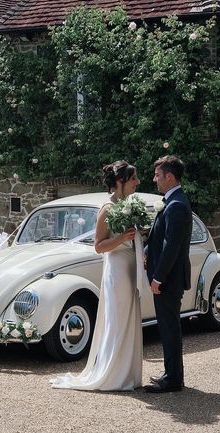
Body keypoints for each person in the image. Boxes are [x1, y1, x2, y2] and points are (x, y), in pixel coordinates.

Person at [50, 160, 143, 391]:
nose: (137, 182)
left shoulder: (130, 204)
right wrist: (122, 238)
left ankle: (128, 374)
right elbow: (99, 246)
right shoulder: (107, 209)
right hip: (117, 270)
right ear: (121, 182)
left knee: (130, 318)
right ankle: (112, 374)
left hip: (131, 267)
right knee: (117, 320)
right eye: (133, 179)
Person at [144, 155, 193, 393]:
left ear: (169, 177)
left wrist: (158, 278)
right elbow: (158, 237)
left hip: (168, 280)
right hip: (166, 278)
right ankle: (171, 373)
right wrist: (144, 251)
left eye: (157, 175)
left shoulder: (177, 205)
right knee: (166, 327)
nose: (155, 180)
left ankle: (173, 380)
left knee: (170, 328)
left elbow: (171, 246)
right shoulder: (171, 202)